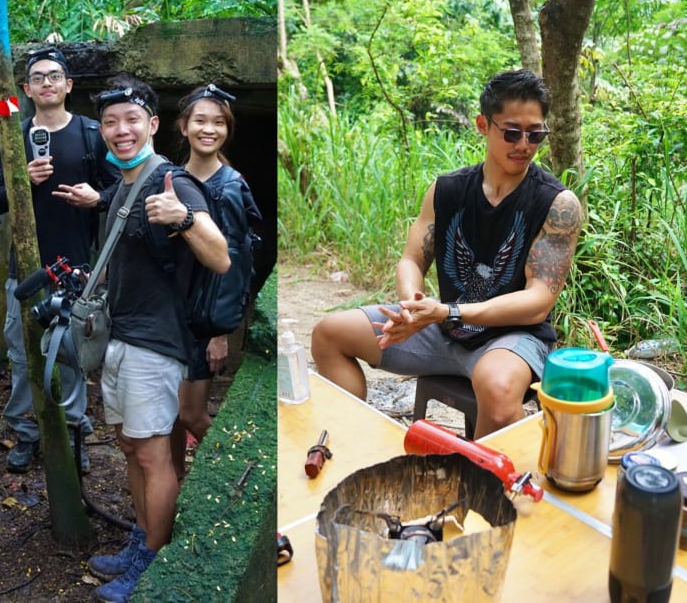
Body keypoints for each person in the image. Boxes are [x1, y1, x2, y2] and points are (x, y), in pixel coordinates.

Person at [311, 69, 582, 439]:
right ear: (483, 125)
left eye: (535, 134)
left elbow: (538, 302)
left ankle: (485, 474)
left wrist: (448, 311)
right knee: (329, 334)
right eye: (512, 132)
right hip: (441, 328)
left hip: (511, 338)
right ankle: (352, 443)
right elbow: (412, 259)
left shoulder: (557, 203)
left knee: (498, 391)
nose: (524, 144)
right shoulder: (447, 190)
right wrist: (413, 306)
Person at [85, 76, 229, 603]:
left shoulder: (172, 181)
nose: (120, 130)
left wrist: (186, 217)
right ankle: (139, 538)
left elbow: (220, 256)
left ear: (152, 125)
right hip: (122, 337)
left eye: (131, 120)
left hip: (156, 344)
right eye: (110, 122)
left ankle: (152, 559)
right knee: (129, 447)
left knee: (153, 456)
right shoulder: (125, 181)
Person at [0, 46, 120, 474]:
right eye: (38, 77)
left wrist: (96, 198)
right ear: (26, 89)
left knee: (72, 352)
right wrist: (21, 179)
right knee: (23, 352)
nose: (47, 83)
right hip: (25, 269)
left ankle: (74, 431)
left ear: (69, 85)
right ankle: (27, 432)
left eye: (55, 76)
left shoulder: (89, 133)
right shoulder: (15, 137)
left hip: (75, 269)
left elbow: (120, 191)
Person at [168, 84, 262, 481]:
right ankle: (173, 489)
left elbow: (236, 264)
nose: (209, 129)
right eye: (201, 121)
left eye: (219, 122)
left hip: (204, 320)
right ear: (184, 126)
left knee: (191, 414)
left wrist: (222, 332)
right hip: (171, 314)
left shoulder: (230, 187)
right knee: (167, 419)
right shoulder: (172, 179)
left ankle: (237, 475)